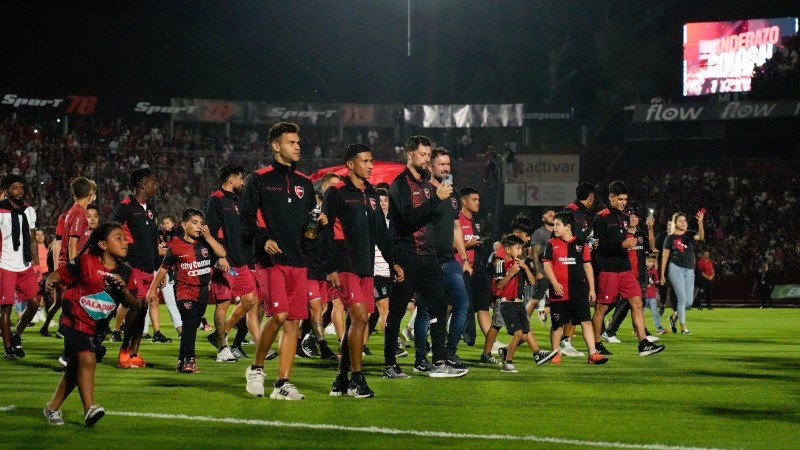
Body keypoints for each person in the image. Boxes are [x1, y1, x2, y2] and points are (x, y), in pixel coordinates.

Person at [241, 122, 318, 400]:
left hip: (298, 261)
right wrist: (263, 239)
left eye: (298, 142)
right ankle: (256, 369)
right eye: (291, 142)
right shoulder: (259, 179)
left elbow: (309, 230)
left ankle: (282, 384)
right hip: (270, 259)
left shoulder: (305, 184)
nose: (297, 147)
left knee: (293, 325)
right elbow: (246, 219)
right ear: (276, 146)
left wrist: (317, 224)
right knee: (279, 315)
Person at [383, 135, 467, 379]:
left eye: (429, 156)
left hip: (428, 257)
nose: (427, 160)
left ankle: (438, 361)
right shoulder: (399, 185)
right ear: (410, 155)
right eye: (423, 155)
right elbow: (410, 219)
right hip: (406, 255)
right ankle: (390, 364)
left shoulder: (426, 186)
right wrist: (435, 199)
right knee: (397, 312)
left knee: (440, 306)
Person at [43, 222, 139, 426]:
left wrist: (123, 291)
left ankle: (51, 408)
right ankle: (89, 409)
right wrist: (50, 280)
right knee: (87, 360)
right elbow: (62, 273)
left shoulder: (125, 272)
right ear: (103, 244)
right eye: (118, 238)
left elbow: (133, 303)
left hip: (97, 329)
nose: (125, 242)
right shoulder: (86, 261)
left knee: (75, 370)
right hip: (74, 320)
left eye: (125, 238)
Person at [325, 144, 401, 397]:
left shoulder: (370, 194)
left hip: (365, 267)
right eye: (365, 161)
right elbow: (325, 232)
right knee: (359, 318)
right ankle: (357, 378)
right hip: (344, 265)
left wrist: (394, 261)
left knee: (356, 321)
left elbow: (381, 233)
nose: (370, 165)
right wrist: (331, 267)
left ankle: (340, 380)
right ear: (350, 165)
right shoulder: (335, 193)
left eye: (371, 161)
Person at [414, 147, 473, 372]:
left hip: (449, 261)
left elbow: (456, 226)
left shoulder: (452, 193)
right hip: (427, 260)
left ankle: (449, 352)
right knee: (425, 312)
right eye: (442, 164)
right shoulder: (424, 192)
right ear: (430, 167)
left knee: (463, 304)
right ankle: (421, 359)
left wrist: (465, 258)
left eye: (448, 164)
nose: (446, 168)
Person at [146, 208, 226, 374]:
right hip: (184, 291)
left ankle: (182, 359)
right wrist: (152, 290)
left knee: (192, 325)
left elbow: (222, 253)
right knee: (189, 323)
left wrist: (209, 236)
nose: (198, 227)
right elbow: (163, 268)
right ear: (184, 225)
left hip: (203, 293)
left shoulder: (205, 243)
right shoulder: (175, 246)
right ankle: (189, 360)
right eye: (194, 223)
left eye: (201, 224)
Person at [591, 180, 664, 356]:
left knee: (637, 303)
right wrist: (622, 245)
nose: (624, 202)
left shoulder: (625, 218)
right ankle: (596, 344)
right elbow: (598, 247)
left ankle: (643, 343)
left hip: (625, 270)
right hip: (608, 270)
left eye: (626, 199)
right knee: (601, 308)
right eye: (620, 199)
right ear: (611, 198)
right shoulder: (600, 218)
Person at [205, 164, 260, 362]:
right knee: (223, 305)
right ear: (231, 179)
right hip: (225, 263)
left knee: (250, 300)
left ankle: (221, 333)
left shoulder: (237, 201)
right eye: (240, 178)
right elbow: (211, 230)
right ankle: (222, 349)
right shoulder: (216, 200)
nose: (242, 182)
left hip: (240, 262)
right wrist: (220, 257)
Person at [110, 167, 161, 369]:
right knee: (137, 304)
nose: (155, 186)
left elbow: (152, 239)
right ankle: (124, 349)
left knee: (144, 308)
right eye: (152, 182)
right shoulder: (125, 207)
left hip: (149, 267)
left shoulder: (150, 209)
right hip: (134, 266)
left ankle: (133, 353)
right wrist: (123, 259)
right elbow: (110, 231)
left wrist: (159, 268)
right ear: (143, 185)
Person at [542, 212, 607, 365]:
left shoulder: (581, 244)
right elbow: (547, 265)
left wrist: (592, 289)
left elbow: (587, 266)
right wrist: (555, 284)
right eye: (554, 224)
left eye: (558, 224)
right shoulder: (551, 243)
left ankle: (592, 354)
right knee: (558, 324)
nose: (555, 227)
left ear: (568, 226)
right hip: (559, 291)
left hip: (579, 291)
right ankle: (555, 352)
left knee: (586, 321)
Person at [494, 234, 558, 372]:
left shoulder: (521, 265)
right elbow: (499, 286)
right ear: (508, 250)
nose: (521, 251)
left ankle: (516, 352)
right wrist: (511, 273)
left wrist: (526, 268)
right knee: (518, 334)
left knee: (525, 333)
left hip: (520, 304)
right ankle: (508, 362)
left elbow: (533, 282)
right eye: (518, 248)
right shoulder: (501, 264)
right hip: (507, 303)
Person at [601, 208, 657, 343]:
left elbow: (652, 248)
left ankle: (613, 329)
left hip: (639, 275)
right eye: (630, 216)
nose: (633, 218)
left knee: (633, 305)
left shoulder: (641, 235)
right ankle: (609, 330)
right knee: (625, 303)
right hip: (624, 274)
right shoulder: (621, 235)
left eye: (636, 216)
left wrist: (650, 230)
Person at [0, 174, 40, 359]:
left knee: (34, 302)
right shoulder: (1, 211)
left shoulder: (29, 210)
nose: (19, 191)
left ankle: (17, 335)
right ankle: (8, 348)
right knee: (6, 308)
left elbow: (32, 238)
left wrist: (36, 263)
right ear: (6, 191)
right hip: (5, 264)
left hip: (24, 265)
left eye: (21, 187)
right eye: (15, 187)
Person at [558, 182, 596, 358]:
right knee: (566, 306)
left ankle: (566, 341)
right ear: (590, 198)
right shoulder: (570, 211)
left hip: (578, 262)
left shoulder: (584, 215)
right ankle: (561, 342)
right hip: (567, 263)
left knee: (575, 306)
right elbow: (557, 235)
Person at [660, 211, 705, 335]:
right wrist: (662, 274)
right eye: (680, 221)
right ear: (675, 223)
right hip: (675, 268)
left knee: (689, 302)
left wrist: (700, 223)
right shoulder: (670, 238)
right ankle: (683, 327)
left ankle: (673, 317)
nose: (683, 223)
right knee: (682, 298)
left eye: (684, 221)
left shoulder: (689, 234)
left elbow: (700, 237)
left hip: (690, 269)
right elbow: (664, 256)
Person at [458, 188, 487, 348]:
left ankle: (491, 340)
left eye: (478, 199)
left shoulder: (477, 221)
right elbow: (449, 245)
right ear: (464, 201)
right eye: (474, 199)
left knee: (483, 305)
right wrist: (470, 244)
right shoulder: (457, 220)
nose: (478, 202)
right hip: (462, 268)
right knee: (460, 305)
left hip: (477, 268)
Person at [528, 207, 556, 326]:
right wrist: (537, 271)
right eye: (549, 215)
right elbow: (534, 253)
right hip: (544, 272)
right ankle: (523, 321)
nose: (552, 216)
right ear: (543, 218)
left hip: (556, 272)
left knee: (560, 301)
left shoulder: (558, 232)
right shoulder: (539, 233)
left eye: (554, 215)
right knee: (535, 299)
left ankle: (550, 317)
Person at [643, 254, 665, 334]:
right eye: (649, 261)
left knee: (655, 312)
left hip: (652, 295)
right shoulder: (642, 270)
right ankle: (639, 329)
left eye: (652, 261)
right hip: (643, 295)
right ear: (644, 261)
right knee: (641, 313)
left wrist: (658, 281)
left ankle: (659, 328)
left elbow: (656, 281)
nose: (651, 263)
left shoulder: (654, 271)